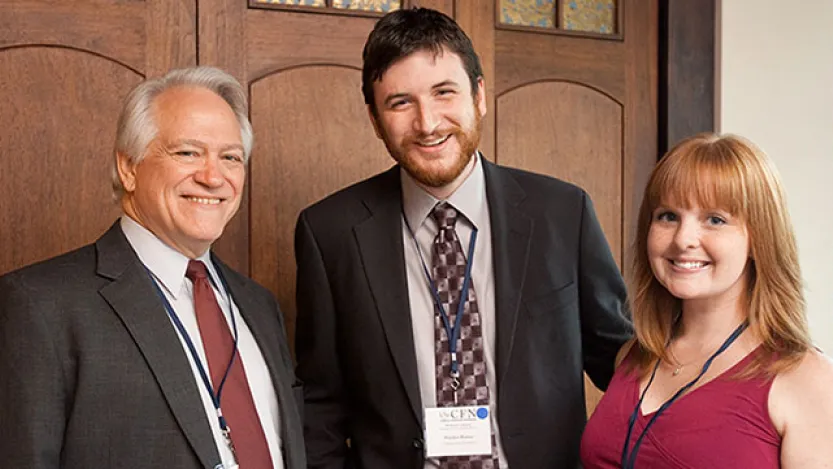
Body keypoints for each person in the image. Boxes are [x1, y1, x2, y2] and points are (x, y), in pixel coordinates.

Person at [294, 7, 632, 469]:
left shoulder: (561, 213)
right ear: (375, 119)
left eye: (444, 93)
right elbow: (321, 406)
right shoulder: (329, 232)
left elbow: (625, 368)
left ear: (479, 96)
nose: (427, 123)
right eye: (400, 103)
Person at [0, 66, 305, 469]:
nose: (213, 177)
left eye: (230, 157)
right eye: (188, 153)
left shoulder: (258, 305)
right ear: (128, 168)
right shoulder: (40, 306)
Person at [580, 133, 833, 468]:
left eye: (715, 220)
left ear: (760, 239)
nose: (684, 239)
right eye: (668, 216)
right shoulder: (633, 357)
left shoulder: (806, 379)